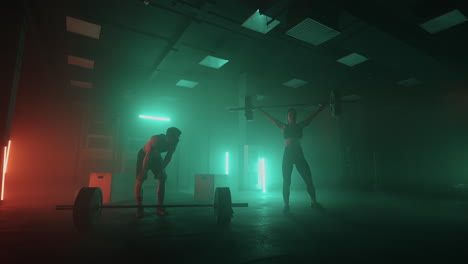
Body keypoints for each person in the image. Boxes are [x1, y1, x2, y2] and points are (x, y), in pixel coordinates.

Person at [258, 105, 326, 213]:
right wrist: (261, 110)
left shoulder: (300, 125)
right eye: (290, 115)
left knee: (308, 179)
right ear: (287, 117)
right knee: (286, 181)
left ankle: (314, 202)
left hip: (298, 154)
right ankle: (286, 204)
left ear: (296, 116)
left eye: (294, 115)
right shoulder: (284, 127)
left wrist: (318, 109)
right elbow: (272, 118)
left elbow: (310, 118)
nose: (292, 116)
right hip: (288, 155)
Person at [134, 127, 182, 218]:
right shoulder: (155, 139)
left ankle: (159, 207)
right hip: (144, 155)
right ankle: (139, 207)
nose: (177, 139)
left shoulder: (174, 142)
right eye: (176, 137)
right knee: (141, 178)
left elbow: (168, 157)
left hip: (156, 157)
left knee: (162, 177)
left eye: (178, 137)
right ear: (168, 136)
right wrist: (143, 171)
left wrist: (162, 169)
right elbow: (148, 157)